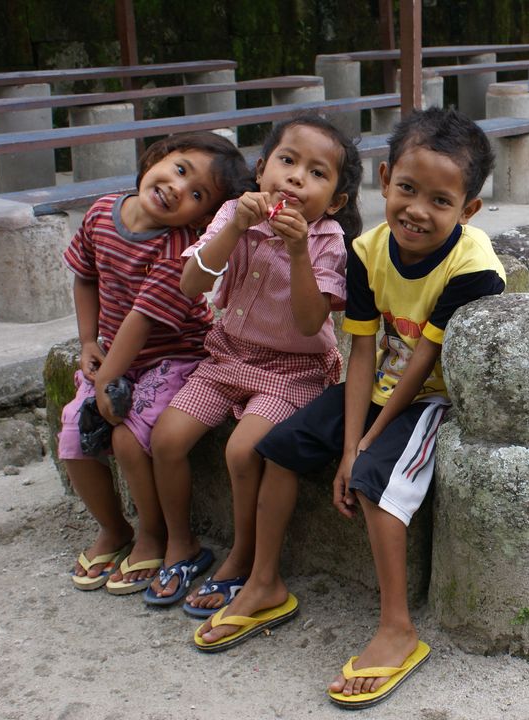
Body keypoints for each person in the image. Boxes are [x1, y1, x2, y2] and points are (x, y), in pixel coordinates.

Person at [194, 107, 506, 709]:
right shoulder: (368, 249)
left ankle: (398, 629)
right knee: (279, 449)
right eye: (407, 189)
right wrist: (345, 439)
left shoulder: (474, 270)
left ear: (467, 211)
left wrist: (361, 449)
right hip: (379, 384)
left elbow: (419, 368)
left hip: (434, 395)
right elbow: (362, 349)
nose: (416, 209)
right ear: (385, 179)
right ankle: (264, 583)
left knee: (372, 484)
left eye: (440, 201)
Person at [144, 114, 362, 612]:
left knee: (243, 451)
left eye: (316, 172)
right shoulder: (233, 215)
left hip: (292, 370)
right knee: (167, 438)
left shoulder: (327, 239)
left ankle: (243, 558)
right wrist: (236, 225)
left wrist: (298, 251)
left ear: (335, 202)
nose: (296, 177)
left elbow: (310, 324)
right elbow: (192, 285)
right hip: (226, 356)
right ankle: (181, 543)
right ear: (261, 169)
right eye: (287, 161)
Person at [62, 132, 251, 594]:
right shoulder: (102, 212)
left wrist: (109, 378)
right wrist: (89, 341)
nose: (177, 187)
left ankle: (156, 533)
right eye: (180, 169)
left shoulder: (175, 249)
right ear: (159, 157)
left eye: (197, 194)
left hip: (174, 356)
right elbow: (85, 277)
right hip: (115, 357)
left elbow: (143, 320)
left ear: (204, 218)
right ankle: (114, 528)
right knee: (72, 430)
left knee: (129, 440)